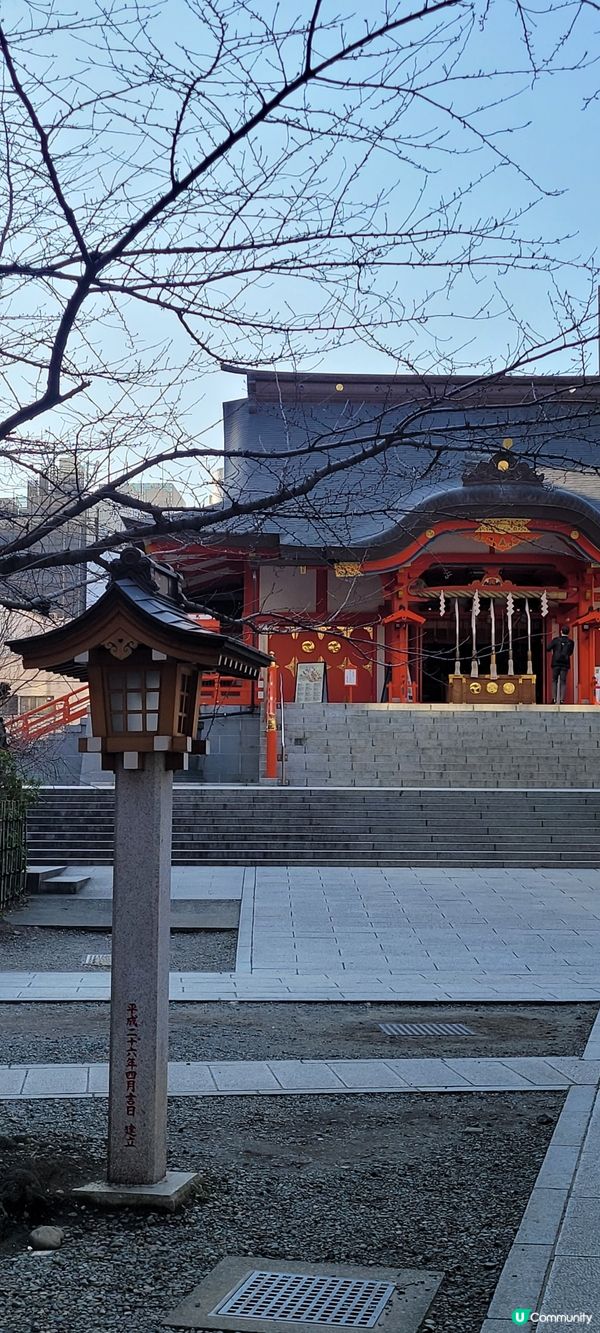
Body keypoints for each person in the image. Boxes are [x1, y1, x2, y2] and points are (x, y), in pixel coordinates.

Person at [546, 625, 575, 703]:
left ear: (561, 631)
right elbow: (570, 653)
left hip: (555, 663)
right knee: (563, 681)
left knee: (554, 680)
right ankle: (562, 699)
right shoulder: (571, 642)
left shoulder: (556, 640)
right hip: (565, 664)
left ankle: (554, 698)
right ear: (568, 632)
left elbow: (548, 648)